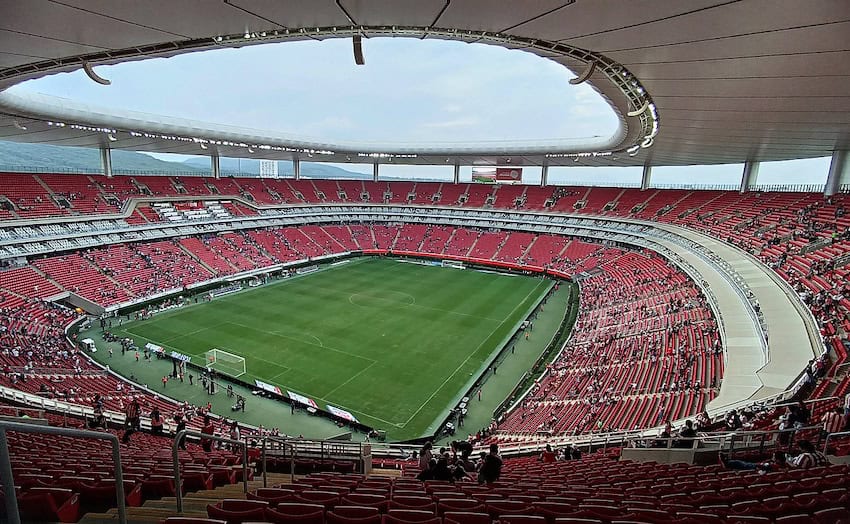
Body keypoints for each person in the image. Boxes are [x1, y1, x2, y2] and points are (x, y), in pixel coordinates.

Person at [720, 450, 787, 473]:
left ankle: (726, 463)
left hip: (754, 467)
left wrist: (758, 465)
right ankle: (727, 462)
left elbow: (763, 467)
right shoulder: (776, 463)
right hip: (756, 465)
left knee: (738, 462)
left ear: (777, 459)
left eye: (774, 456)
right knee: (740, 462)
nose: (772, 457)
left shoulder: (775, 465)